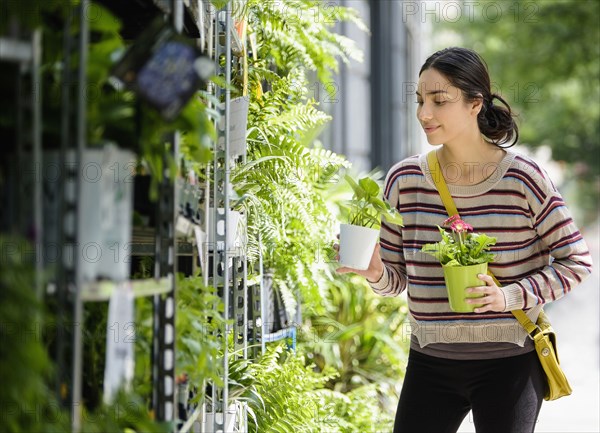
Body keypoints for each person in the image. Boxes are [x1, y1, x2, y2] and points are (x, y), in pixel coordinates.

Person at [336, 47, 593, 433]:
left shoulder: (522, 179)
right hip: (430, 362)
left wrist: (508, 296)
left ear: (475, 103)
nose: (425, 113)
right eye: (421, 100)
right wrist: (373, 271)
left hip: (510, 363)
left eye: (439, 101)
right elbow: (395, 281)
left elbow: (577, 262)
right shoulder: (404, 181)